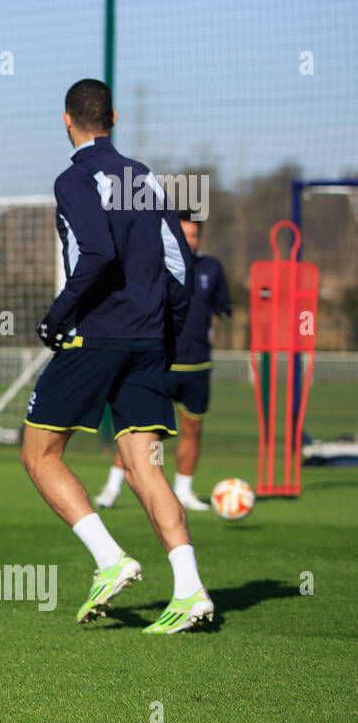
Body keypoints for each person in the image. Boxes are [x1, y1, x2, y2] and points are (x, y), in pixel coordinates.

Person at [21, 78, 214, 634]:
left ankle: (110, 559)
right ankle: (189, 589)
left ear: (67, 119)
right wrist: (166, 333)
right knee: (143, 463)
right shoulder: (145, 177)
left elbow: (98, 252)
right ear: (114, 117)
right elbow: (178, 265)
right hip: (149, 340)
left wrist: (56, 316)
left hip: (96, 336)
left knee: (39, 453)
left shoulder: (75, 177)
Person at [95, 211, 231, 510]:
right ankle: (112, 487)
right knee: (143, 430)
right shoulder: (154, 266)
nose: (189, 241)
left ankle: (184, 491)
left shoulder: (211, 268)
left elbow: (223, 307)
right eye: (184, 235)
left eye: (194, 235)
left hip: (197, 365)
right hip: (159, 361)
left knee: (192, 427)